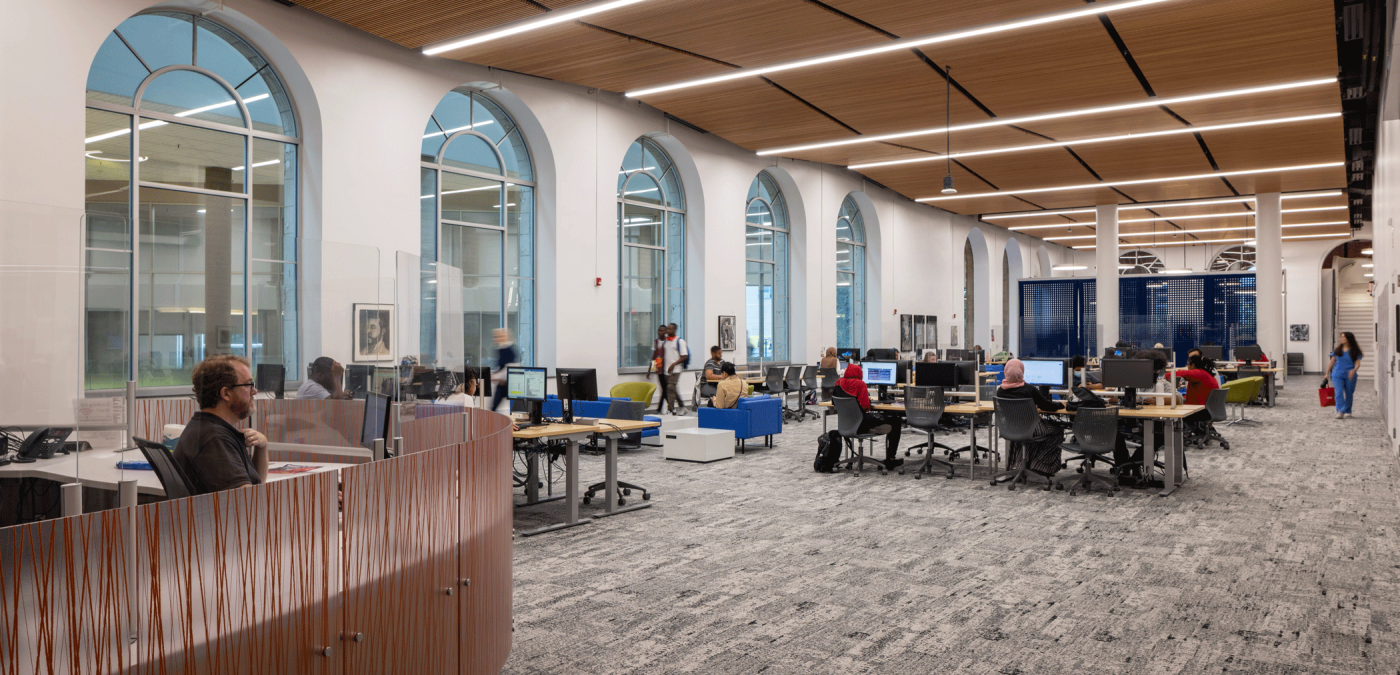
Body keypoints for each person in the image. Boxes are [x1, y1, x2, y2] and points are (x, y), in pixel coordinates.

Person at [173, 355, 269, 495]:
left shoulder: (207, 428)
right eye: (248, 385)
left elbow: (256, 483)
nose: (254, 391)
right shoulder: (215, 439)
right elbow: (246, 502)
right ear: (226, 393)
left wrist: (263, 446)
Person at [993, 359, 1064, 477]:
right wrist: (1061, 404)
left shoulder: (1000, 391)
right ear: (1021, 371)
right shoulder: (1029, 389)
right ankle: (1041, 465)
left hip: (1011, 429)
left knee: (1035, 433)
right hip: (1032, 429)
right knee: (1057, 431)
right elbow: (1046, 406)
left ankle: (1022, 464)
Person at [830, 364, 903, 470]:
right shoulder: (860, 384)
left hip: (845, 426)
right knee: (895, 421)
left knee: (883, 418)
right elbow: (866, 407)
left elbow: (834, 402)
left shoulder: (838, 383)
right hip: (861, 424)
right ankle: (890, 459)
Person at [1328, 331, 1363, 419]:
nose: (1341, 339)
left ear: (1349, 339)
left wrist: (1354, 370)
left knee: (1349, 393)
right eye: (1341, 337)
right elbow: (1332, 361)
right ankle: (1340, 411)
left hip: (1350, 375)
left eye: (1343, 337)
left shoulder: (1355, 351)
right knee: (1339, 392)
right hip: (1337, 374)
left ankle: (1348, 410)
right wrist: (1326, 373)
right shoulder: (1337, 350)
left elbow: (1357, 364)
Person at [489, 328, 520, 413]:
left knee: (516, 409)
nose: (495, 339)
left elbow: (509, 369)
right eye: (495, 337)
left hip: (511, 384)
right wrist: (494, 374)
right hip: (502, 384)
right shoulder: (500, 349)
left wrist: (494, 377)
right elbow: (501, 367)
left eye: (498, 337)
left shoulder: (510, 350)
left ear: (505, 337)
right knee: (493, 408)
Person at [662, 322, 689, 415]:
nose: (668, 330)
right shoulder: (666, 341)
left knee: (670, 388)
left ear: (674, 330)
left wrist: (674, 364)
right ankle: (682, 407)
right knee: (672, 389)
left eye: (670, 329)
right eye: (667, 329)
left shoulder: (679, 341)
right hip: (666, 369)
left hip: (676, 369)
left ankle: (671, 410)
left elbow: (684, 355)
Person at [651, 325, 669, 414]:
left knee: (665, 389)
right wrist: (650, 369)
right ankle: (671, 406)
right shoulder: (656, 342)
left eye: (662, 331)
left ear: (665, 332)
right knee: (665, 389)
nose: (660, 332)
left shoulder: (668, 342)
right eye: (659, 330)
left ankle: (660, 408)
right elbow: (654, 356)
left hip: (667, 368)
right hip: (659, 369)